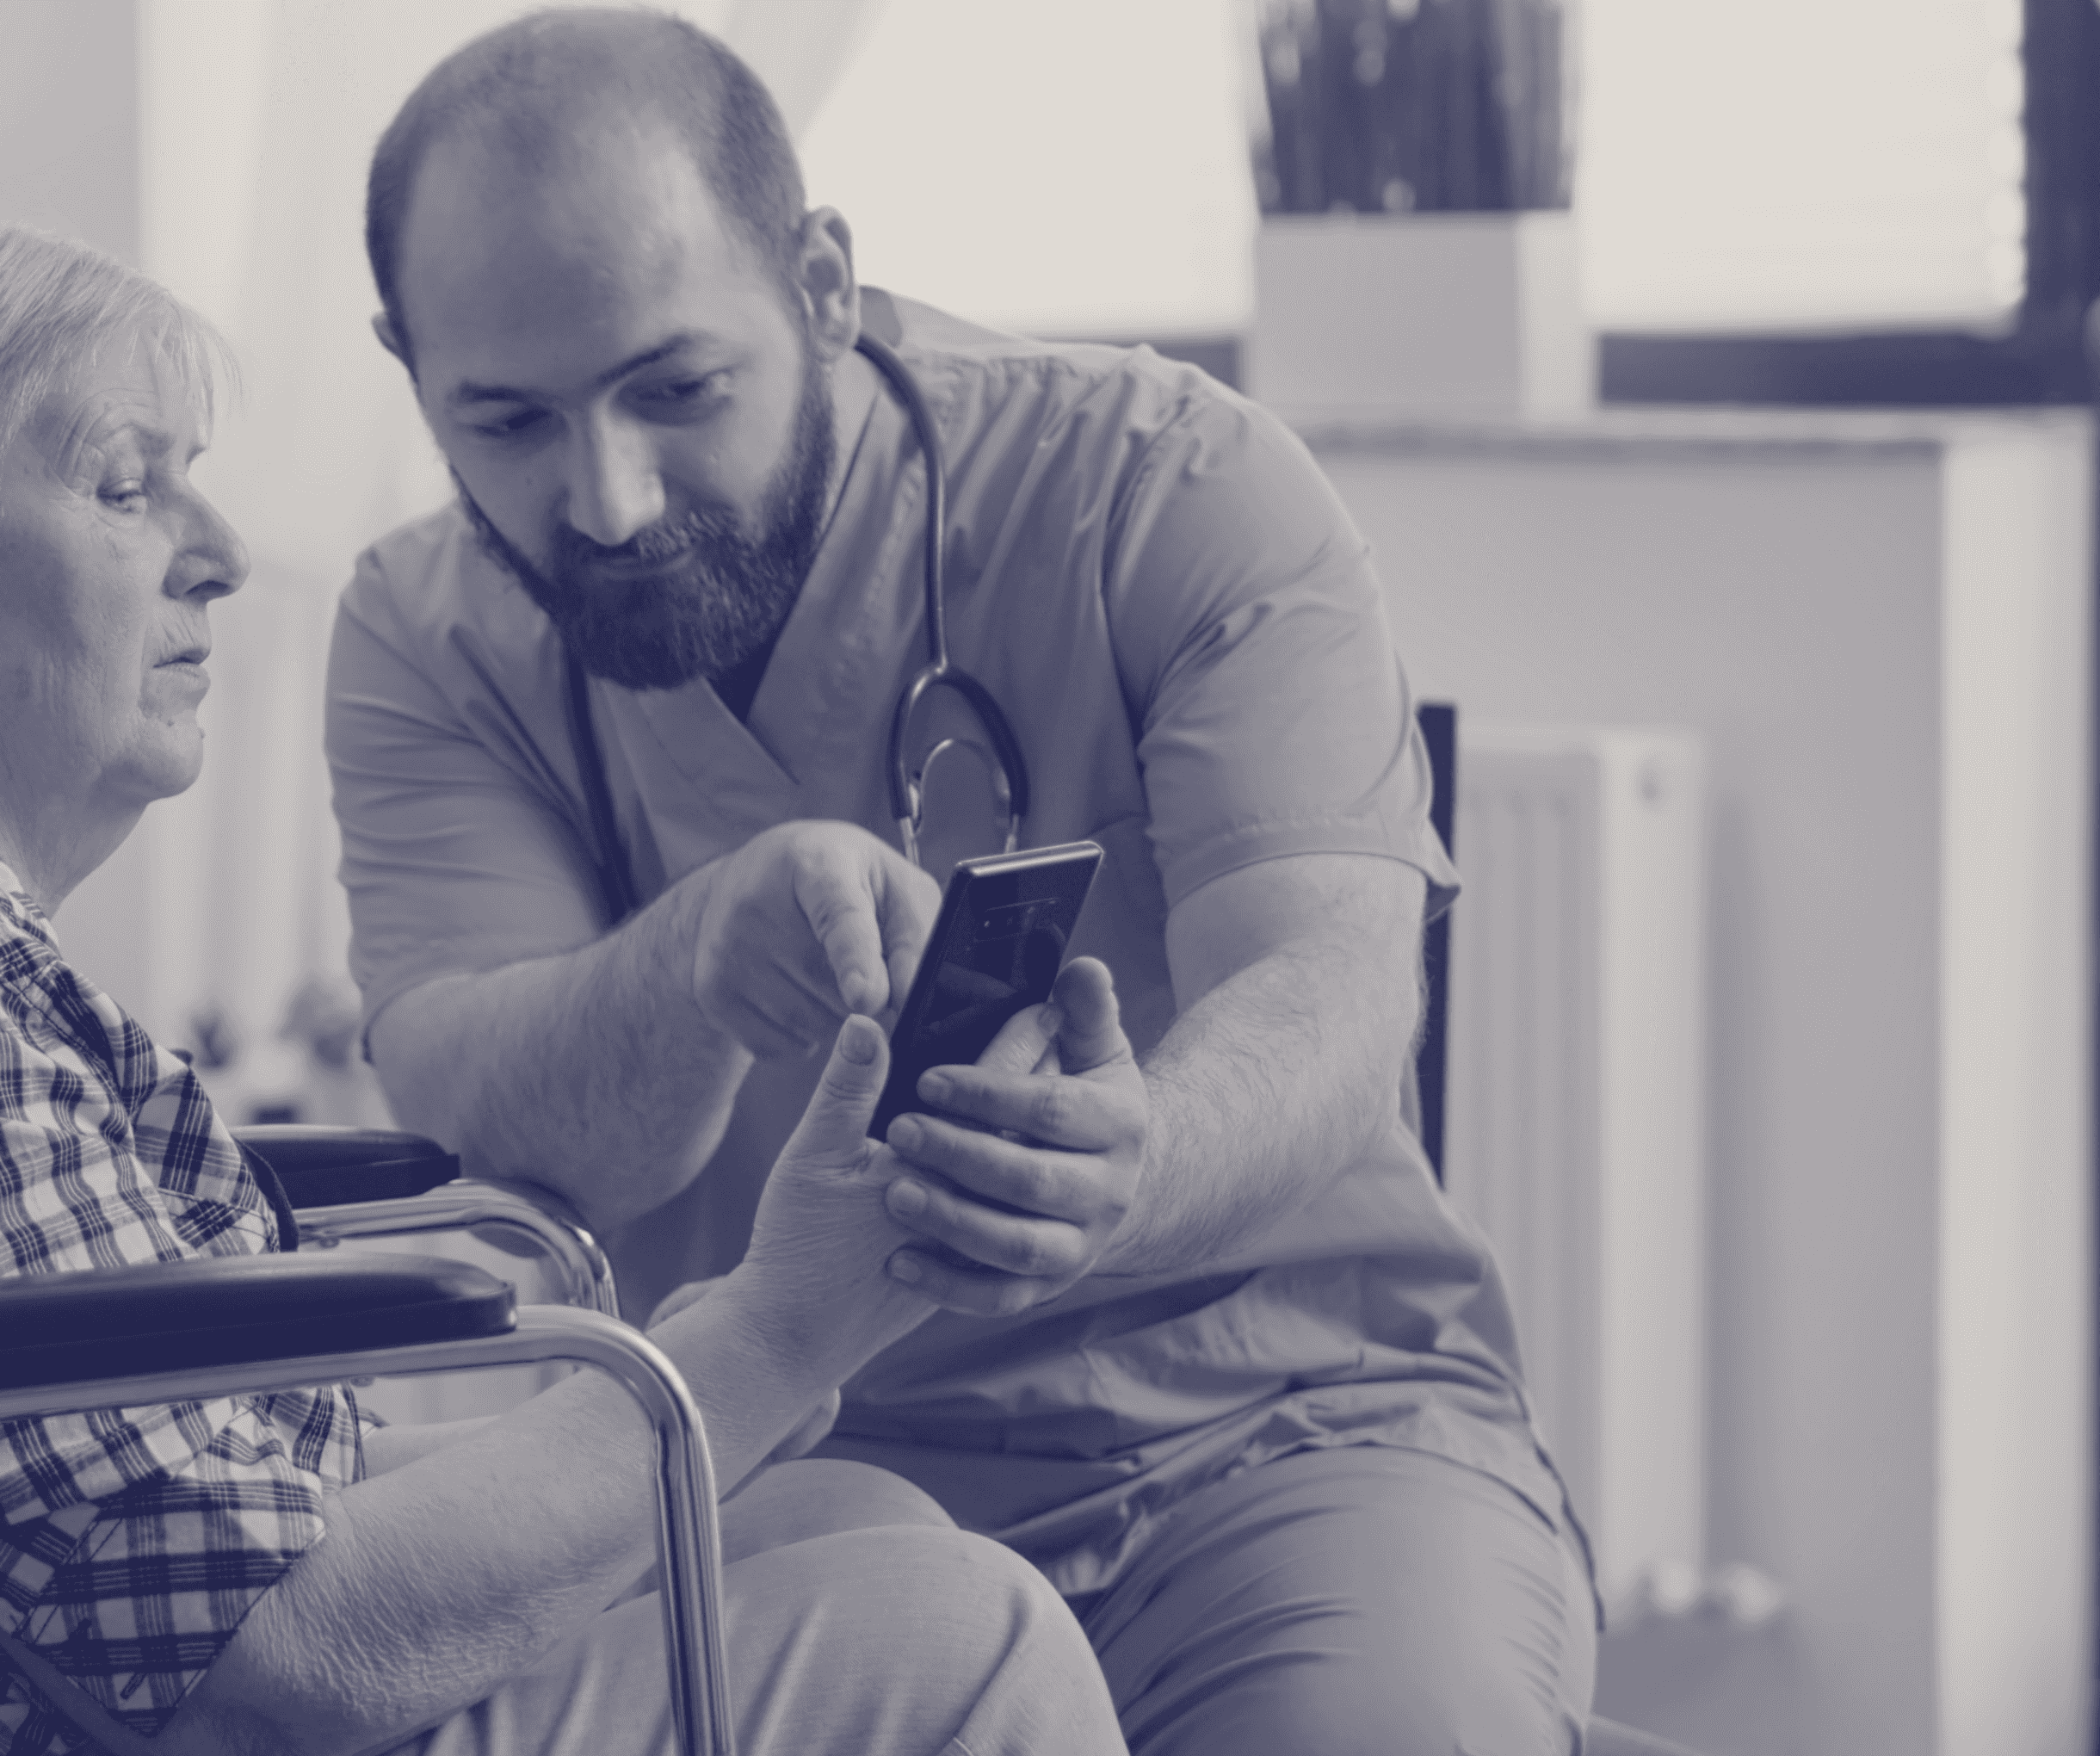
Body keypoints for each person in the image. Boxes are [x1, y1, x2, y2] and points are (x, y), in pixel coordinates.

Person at [0, 200, 1127, 1756]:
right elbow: (286, 1655)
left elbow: (203, 1506)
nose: (222, 553)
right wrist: (780, 1323)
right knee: (958, 1630)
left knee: (846, 1523)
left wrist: (741, 1379)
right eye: (127, 487)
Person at [323, 14, 1596, 1753]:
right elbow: (511, 1131)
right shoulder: (424, 637)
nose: (606, 502)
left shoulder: (1171, 487)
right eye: (510, 421)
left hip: (1276, 1433)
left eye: (676, 391)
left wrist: (1131, 1169)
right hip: (781, 1480)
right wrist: (698, 956)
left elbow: (1334, 985)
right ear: (410, 371)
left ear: (824, 288)